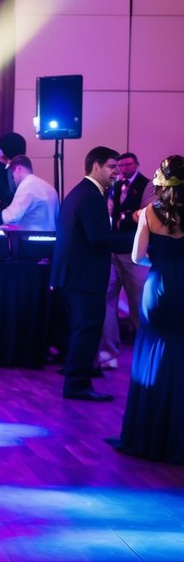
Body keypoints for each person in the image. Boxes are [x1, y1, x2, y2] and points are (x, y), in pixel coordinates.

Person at [107, 156, 184, 462]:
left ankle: (149, 432)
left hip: (159, 288)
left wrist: (163, 264)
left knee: (153, 352)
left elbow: (138, 257)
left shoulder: (151, 212)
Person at [50, 146, 132, 402]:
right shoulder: (91, 196)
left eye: (117, 167)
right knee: (87, 330)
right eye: (112, 167)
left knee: (82, 330)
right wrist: (140, 239)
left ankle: (78, 381)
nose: (116, 173)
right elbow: (98, 238)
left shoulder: (80, 192)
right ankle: (77, 385)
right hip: (83, 278)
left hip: (73, 275)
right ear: (95, 166)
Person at [98, 151, 154, 369]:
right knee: (106, 301)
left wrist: (128, 216)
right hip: (112, 252)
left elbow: (147, 214)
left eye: (128, 164)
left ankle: (147, 352)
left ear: (136, 164)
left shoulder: (146, 185)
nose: (123, 168)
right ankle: (108, 354)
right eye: (120, 165)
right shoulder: (114, 186)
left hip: (135, 254)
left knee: (139, 304)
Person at [0, 155, 59, 231]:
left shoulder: (27, 185)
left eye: (12, 173)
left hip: (34, 241)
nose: (12, 178)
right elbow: (34, 218)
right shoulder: (47, 186)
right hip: (50, 239)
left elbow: (11, 217)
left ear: (18, 169)